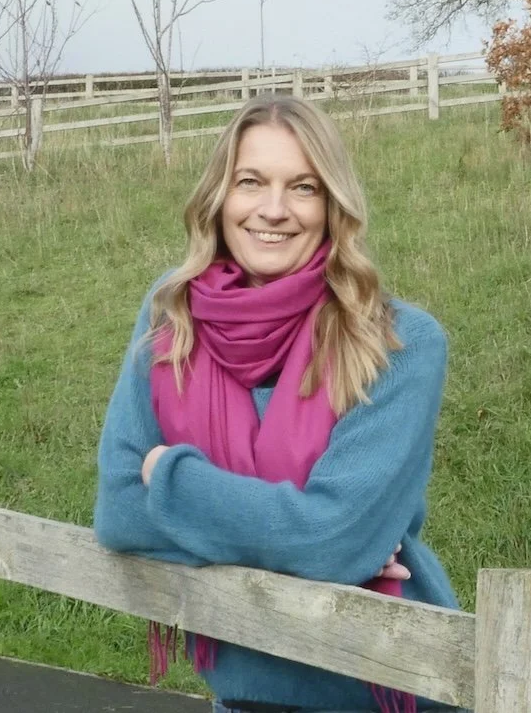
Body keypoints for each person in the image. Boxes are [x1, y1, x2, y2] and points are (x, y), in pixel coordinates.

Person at [94, 95, 460, 713]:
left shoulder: (398, 341)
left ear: (331, 206)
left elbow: (332, 540)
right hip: (241, 699)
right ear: (219, 197)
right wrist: (322, 538)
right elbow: (120, 510)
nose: (273, 209)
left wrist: (170, 483)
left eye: (303, 187)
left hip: (379, 693)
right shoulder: (171, 315)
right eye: (250, 182)